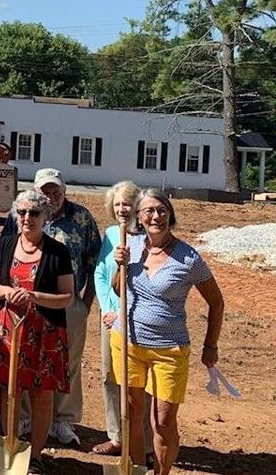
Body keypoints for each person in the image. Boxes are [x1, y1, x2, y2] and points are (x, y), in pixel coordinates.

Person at [111, 189, 224, 475]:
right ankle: (136, 469)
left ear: (170, 215)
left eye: (161, 210)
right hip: (127, 342)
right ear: (139, 216)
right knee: (132, 413)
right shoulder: (131, 246)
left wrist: (210, 345)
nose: (156, 216)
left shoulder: (189, 258)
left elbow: (216, 301)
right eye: (148, 211)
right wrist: (119, 266)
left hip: (169, 349)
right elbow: (116, 289)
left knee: (163, 420)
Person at [3, 168, 101, 446]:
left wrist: (85, 303)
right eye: (45, 191)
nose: (52, 195)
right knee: (22, 360)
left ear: (64, 190)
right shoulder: (21, 213)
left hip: (67, 303)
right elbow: (7, 250)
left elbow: (95, 263)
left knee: (66, 362)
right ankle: (24, 417)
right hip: (23, 304)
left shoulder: (81, 218)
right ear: (35, 191)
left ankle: (62, 420)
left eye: (56, 190)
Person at [0, 190, 74, 475]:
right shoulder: (7, 243)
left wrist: (34, 297)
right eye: (21, 212)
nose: (26, 218)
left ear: (45, 217)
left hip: (44, 333)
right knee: (9, 390)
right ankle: (11, 445)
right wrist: (9, 292)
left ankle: (35, 455)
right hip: (9, 328)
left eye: (34, 213)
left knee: (41, 394)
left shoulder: (58, 252)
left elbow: (67, 297)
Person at [92, 180, 153, 458]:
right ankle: (117, 437)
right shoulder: (110, 235)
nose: (122, 209)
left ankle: (144, 443)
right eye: (117, 204)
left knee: (139, 381)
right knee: (110, 376)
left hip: (140, 318)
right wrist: (108, 308)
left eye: (126, 203)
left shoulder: (149, 237)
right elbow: (100, 274)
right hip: (112, 318)